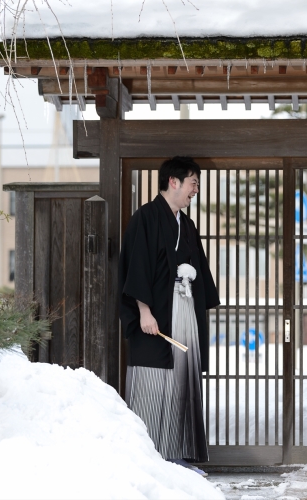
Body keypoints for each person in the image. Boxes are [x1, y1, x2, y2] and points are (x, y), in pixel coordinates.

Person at [118, 156, 220, 477]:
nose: (195, 191)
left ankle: (175, 455)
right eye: (193, 184)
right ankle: (147, 457)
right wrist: (144, 311)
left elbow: (199, 272)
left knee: (181, 382)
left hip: (182, 311)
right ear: (173, 182)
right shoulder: (145, 219)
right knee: (152, 384)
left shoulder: (185, 225)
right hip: (154, 317)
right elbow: (136, 268)